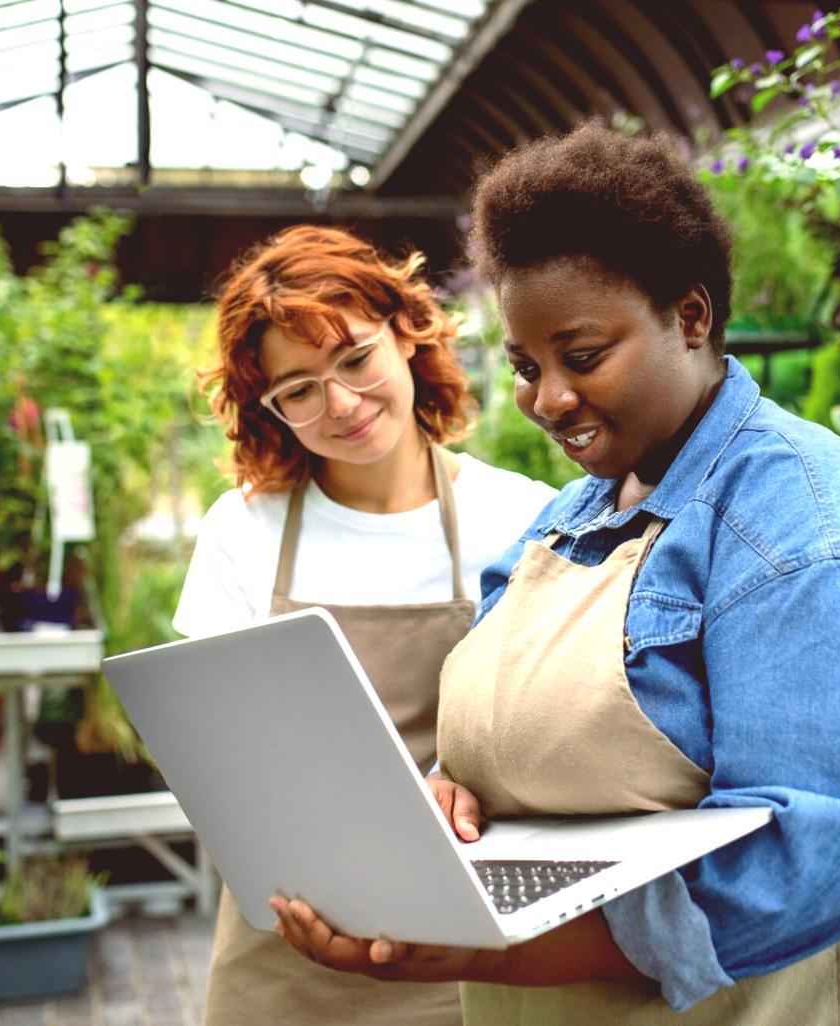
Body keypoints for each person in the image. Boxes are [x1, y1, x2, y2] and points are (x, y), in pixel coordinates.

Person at [269, 125, 840, 1024]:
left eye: (581, 358)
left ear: (690, 316)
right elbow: (507, 732)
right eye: (524, 367)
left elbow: (827, 851)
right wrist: (451, 796)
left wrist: (496, 945)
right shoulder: (573, 516)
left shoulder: (822, 536)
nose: (548, 400)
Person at [174, 225, 558, 1026]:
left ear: (407, 335)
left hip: (470, 949)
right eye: (299, 389)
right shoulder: (242, 531)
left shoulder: (519, 518)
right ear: (268, 408)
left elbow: (555, 737)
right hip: (285, 950)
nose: (341, 405)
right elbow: (213, 757)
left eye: (354, 359)